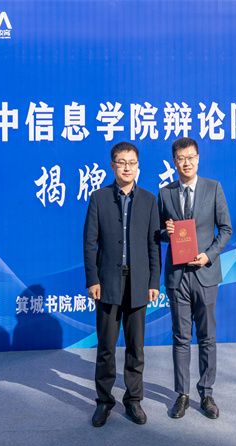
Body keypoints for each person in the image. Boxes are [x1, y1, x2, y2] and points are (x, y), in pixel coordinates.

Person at [83, 142, 161, 427]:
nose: (127, 167)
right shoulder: (99, 198)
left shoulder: (149, 200)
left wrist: (154, 281)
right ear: (112, 165)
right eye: (121, 162)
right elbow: (90, 243)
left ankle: (133, 400)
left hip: (139, 283)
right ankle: (104, 401)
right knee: (106, 346)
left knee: (135, 348)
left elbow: (154, 246)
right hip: (107, 283)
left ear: (138, 166)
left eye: (131, 162)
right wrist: (93, 278)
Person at [158, 137, 232, 420]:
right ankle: (182, 395)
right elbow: (158, 233)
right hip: (177, 277)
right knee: (180, 337)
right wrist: (165, 231)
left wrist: (208, 256)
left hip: (205, 274)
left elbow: (225, 229)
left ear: (198, 159)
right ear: (174, 162)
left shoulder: (213, 188)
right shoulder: (165, 193)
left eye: (190, 157)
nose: (186, 163)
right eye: (181, 158)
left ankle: (207, 393)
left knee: (207, 337)